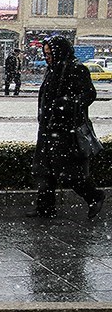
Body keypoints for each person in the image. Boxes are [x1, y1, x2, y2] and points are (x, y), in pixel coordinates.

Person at [27, 35, 105, 220]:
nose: (47, 57)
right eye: (45, 54)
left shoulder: (76, 69)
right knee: (44, 170)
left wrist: (67, 103)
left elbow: (89, 95)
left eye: (50, 54)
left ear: (59, 52)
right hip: (48, 128)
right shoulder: (53, 70)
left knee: (68, 172)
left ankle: (94, 196)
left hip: (65, 131)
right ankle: (45, 208)